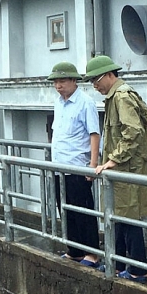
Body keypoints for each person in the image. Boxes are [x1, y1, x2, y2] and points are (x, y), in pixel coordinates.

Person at [85, 55, 147, 283]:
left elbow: (133, 131)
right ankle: (116, 264)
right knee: (118, 216)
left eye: (97, 81)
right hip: (124, 170)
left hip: (129, 169)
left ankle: (138, 269)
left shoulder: (122, 97)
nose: (95, 86)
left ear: (109, 75)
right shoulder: (114, 97)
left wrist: (114, 159)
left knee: (129, 218)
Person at [48, 61, 102, 267]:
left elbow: (94, 133)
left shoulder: (85, 102)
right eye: (55, 82)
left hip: (78, 166)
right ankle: (75, 249)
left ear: (73, 81)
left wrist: (93, 163)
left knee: (83, 211)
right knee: (65, 208)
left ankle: (92, 253)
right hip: (59, 165)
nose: (58, 85)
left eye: (62, 81)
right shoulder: (58, 103)